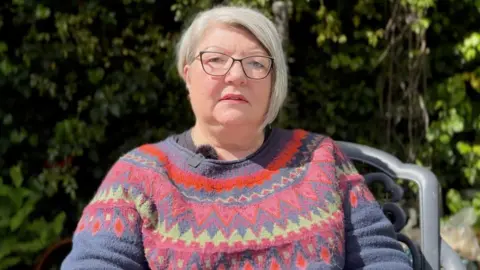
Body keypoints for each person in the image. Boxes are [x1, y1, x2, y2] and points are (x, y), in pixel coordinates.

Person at [61, 5, 413, 270]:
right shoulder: (139, 174)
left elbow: (380, 258)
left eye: (256, 63)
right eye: (215, 60)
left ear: (274, 82)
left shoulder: (319, 158)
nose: (236, 75)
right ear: (188, 75)